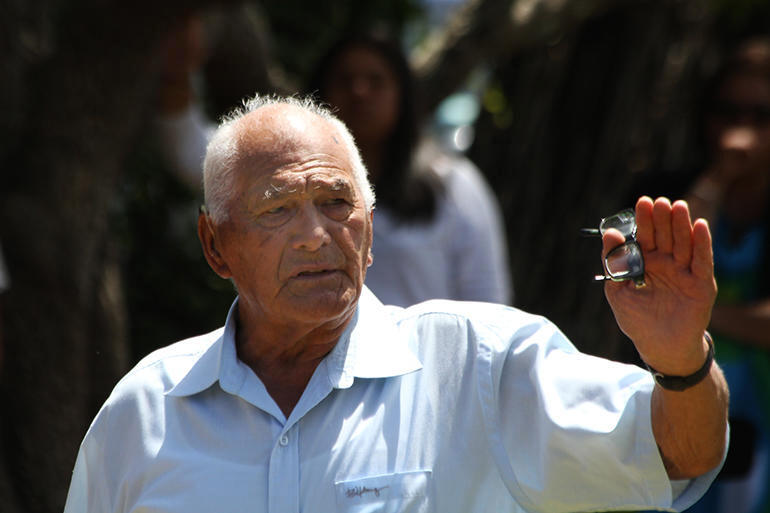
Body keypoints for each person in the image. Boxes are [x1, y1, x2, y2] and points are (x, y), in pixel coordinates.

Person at [64, 95, 728, 513]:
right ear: (216, 246)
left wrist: (679, 359)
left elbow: (680, 456)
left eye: (336, 203)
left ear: (370, 229)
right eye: (277, 209)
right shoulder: (146, 411)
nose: (316, 234)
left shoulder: (478, 362)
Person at [308, 34, 511, 306]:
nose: (359, 92)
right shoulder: (295, 189)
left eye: (376, 81)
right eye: (345, 81)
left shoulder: (453, 183)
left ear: (402, 94)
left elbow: (488, 300)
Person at [683, 36, 770, 513]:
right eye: (728, 112)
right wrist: (717, 181)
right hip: (685, 417)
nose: (742, 130)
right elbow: (664, 263)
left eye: (760, 116)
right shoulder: (672, 189)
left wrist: (696, 308)